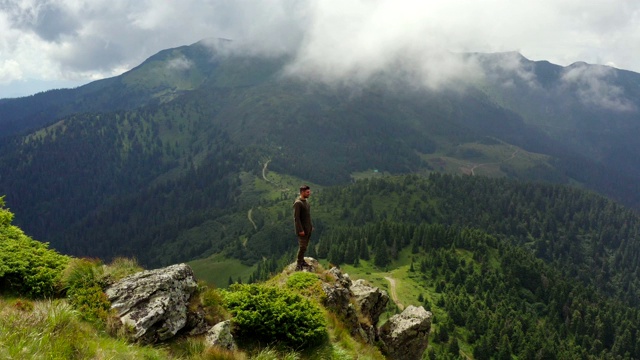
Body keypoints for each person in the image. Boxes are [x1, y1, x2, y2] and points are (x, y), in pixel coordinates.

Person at [293, 185, 313, 270]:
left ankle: (302, 260)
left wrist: (311, 226)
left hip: (308, 228)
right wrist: (300, 230)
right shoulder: (298, 203)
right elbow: (296, 218)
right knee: (302, 246)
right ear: (302, 192)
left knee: (305, 246)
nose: (309, 193)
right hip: (302, 230)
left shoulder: (306, 201)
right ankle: (299, 264)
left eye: (309, 191)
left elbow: (307, 216)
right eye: (307, 192)